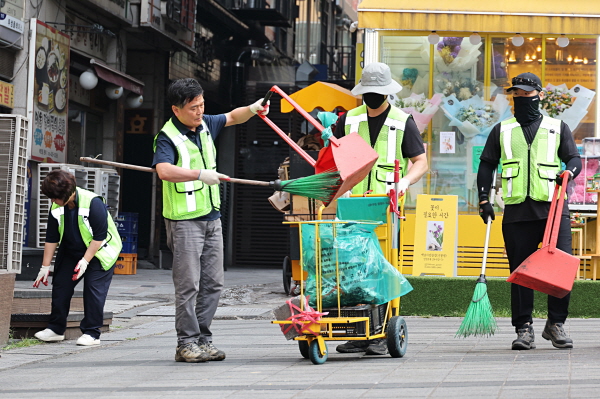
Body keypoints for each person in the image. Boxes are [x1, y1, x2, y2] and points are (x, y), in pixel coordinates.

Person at [152, 78, 269, 363]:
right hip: (184, 221)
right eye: (194, 108)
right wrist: (198, 173)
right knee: (188, 284)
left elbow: (231, 117)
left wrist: (253, 108)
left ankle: (203, 339)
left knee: (214, 283)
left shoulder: (205, 124)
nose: (200, 111)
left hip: (211, 216)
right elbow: (164, 170)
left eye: (202, 105)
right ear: (176, 109)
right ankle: (186, 343)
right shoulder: (167, 136)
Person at [476, 72, 582, 350]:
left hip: (553, 209)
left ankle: (556, 324)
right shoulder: (502, 130)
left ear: (540, 96)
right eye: (517, 95)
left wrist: (569, 172)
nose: (522, 99)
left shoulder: (558, 128)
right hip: (517, 212)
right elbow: (487, 164)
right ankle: (524, 328)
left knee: (560, 269)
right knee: (521, 272)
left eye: (527, 94)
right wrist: (484, 199)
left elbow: (573, 157)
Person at [333, 62, 428, 355]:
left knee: (382, 268)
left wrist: (405, 183)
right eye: (368, 91)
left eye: (377, 91)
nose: (372, 96)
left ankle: (379, 333)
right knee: (352, 268)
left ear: (386, 92)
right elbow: (334, 160)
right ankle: (356, 333)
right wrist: (341, 187)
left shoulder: (403, 121)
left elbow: (421, 162)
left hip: (387, 208)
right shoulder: (347, 120)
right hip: (352, 206)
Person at [33, 170, 122, 346]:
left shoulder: (93, 202)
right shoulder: (57, 206)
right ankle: (56, 329)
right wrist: (45, 267)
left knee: (93, 289)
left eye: (54, 198)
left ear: (66, 194)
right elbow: (51, 238)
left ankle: (92, 333)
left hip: (100, 251)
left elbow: (99, 236)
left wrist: (85, 261)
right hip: (71, 250)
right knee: (61, 285)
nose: (52, 201)